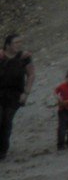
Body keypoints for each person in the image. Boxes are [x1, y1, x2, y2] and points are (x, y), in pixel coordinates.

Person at [0, 33, 31, 161]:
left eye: (20, 42)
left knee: (7, 121)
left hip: (15, 94)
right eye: (16, 42)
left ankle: (2, 150)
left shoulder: (24, 57)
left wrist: (26, 92)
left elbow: (31, 75)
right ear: (8, 45)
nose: (19, 45)